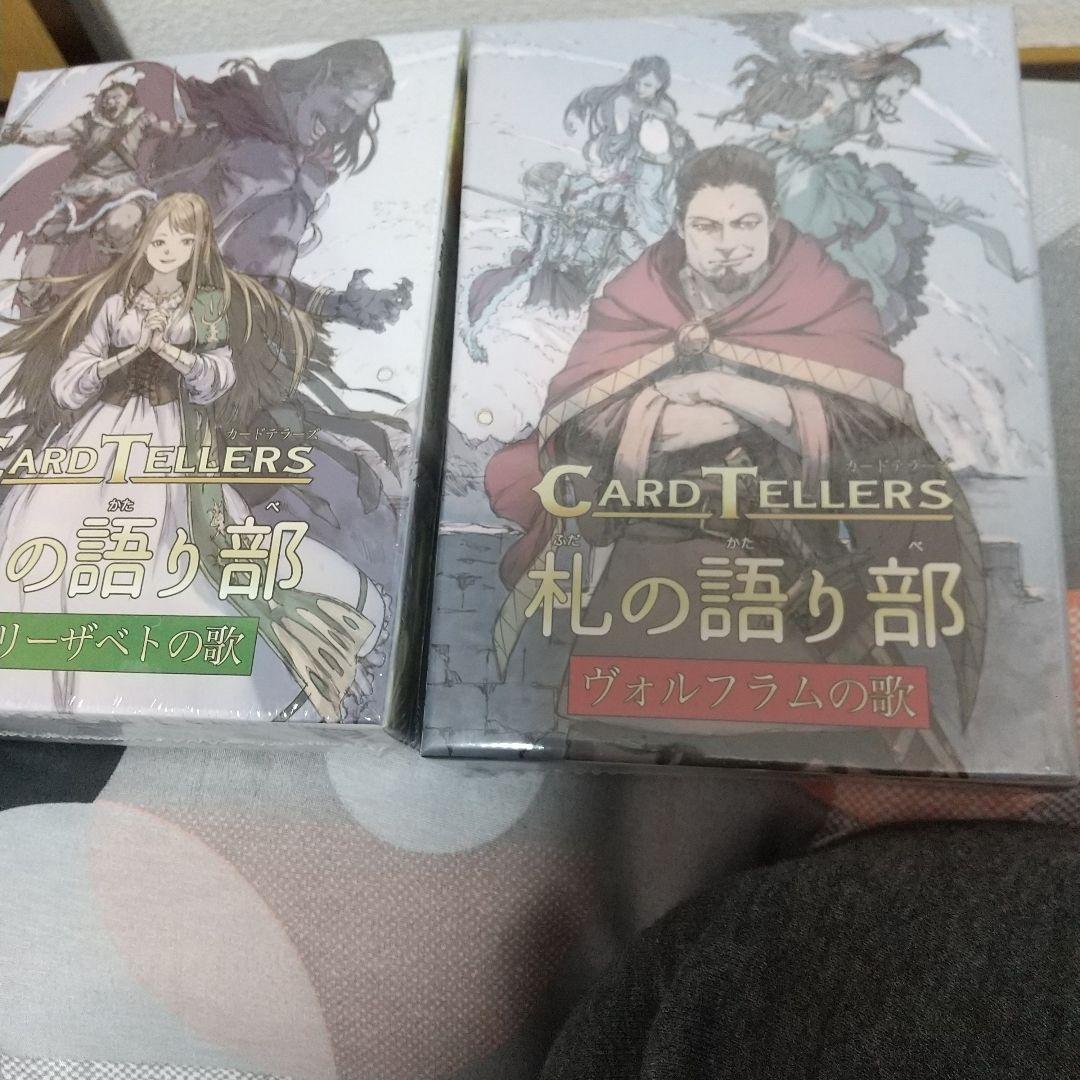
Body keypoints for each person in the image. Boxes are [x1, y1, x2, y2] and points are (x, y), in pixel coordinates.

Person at [485, 146, 985, 766]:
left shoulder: (823, 293)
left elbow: (879, 428)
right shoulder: (637, 298)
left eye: (745, 223)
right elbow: (578, 426)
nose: (728, 244)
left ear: (772, 220)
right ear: (680, 227)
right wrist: (660, 421)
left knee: (833, 752)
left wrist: (742, 397)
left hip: (795, 575)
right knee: (617, 759)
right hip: (655, 580)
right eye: (708, 226)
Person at [0, 192, 386, 722]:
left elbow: (219, 375)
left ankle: (134, 682)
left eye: (182, 241)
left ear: (198, 246)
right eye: (160, 239)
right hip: (99, 431)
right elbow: (70, 378)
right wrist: (117, 361)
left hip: (168, 434)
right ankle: (41, 685)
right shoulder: (116, 304)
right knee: (46, 529)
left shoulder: (206, 305)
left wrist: (175, 356)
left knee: (165, 548)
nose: (168, 250)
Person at [1, 77, 195, 309]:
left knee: (122, 224)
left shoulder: (140, 120)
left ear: (129, 99)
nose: (111, 101)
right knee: (47, 237)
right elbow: (51, 136)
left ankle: (143, 283)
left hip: (123, 189)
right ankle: (36, 295)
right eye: (108, 97)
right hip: (83, 191)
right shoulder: (86, 124)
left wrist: (190, 127)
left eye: (117, 97)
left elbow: (170, 129)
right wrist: (21, 137)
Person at [564, 56, 694, 248]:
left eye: (647, 85)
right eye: (637, 83)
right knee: (632, 194)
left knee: (648, 197)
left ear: (660, 84)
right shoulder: (629, 99)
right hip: (638, 160)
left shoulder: (663, 107)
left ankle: (667, 237)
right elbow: (620, 129)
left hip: (658, 162)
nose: (640, 88)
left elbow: (661, 139)